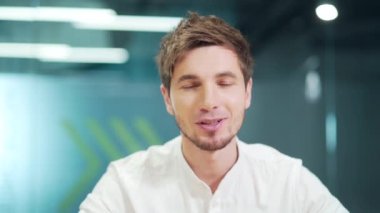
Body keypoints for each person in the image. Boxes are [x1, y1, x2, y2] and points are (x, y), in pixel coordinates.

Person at [79, 12, 348, 213]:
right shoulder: (126, 186)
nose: (209, 101)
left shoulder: (288, 183)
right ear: (167, 99)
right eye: (191, 85)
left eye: (224, 83)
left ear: (247, 92)